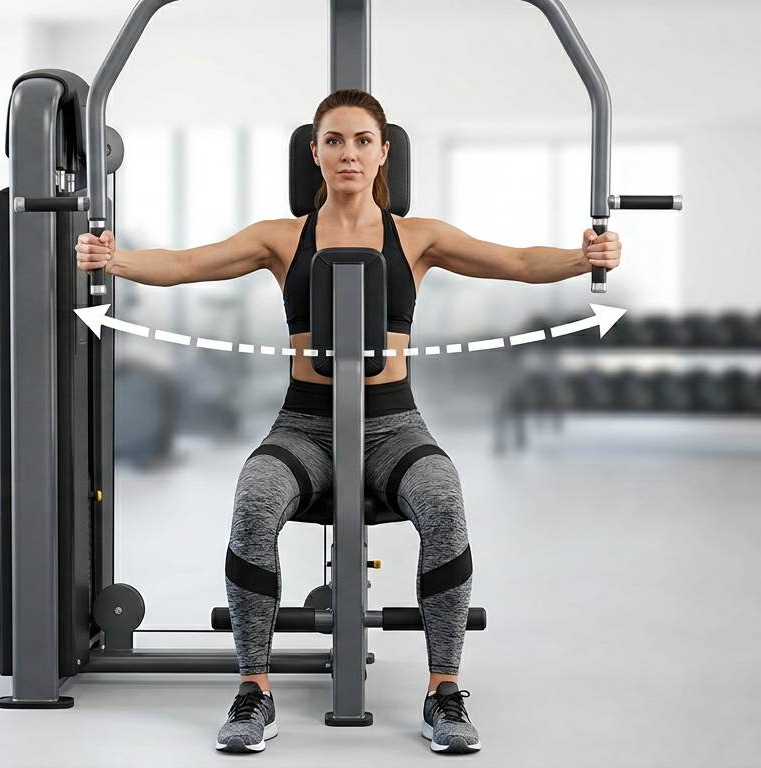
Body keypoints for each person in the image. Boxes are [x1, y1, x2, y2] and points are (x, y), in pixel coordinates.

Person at [76, 88, 622, 755]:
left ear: (383, 151)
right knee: (254, 499)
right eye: (334, 140)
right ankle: (254, 689)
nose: (348, 153)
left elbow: (512, 261)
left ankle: (444, 690)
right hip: (304, 428)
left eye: (363, 140)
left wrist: (582, 258)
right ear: (315, 152)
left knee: (444, 500)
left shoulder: (415, 237)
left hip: (395, 429)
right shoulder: (283, 238)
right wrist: (114, 260)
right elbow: (189, 264)